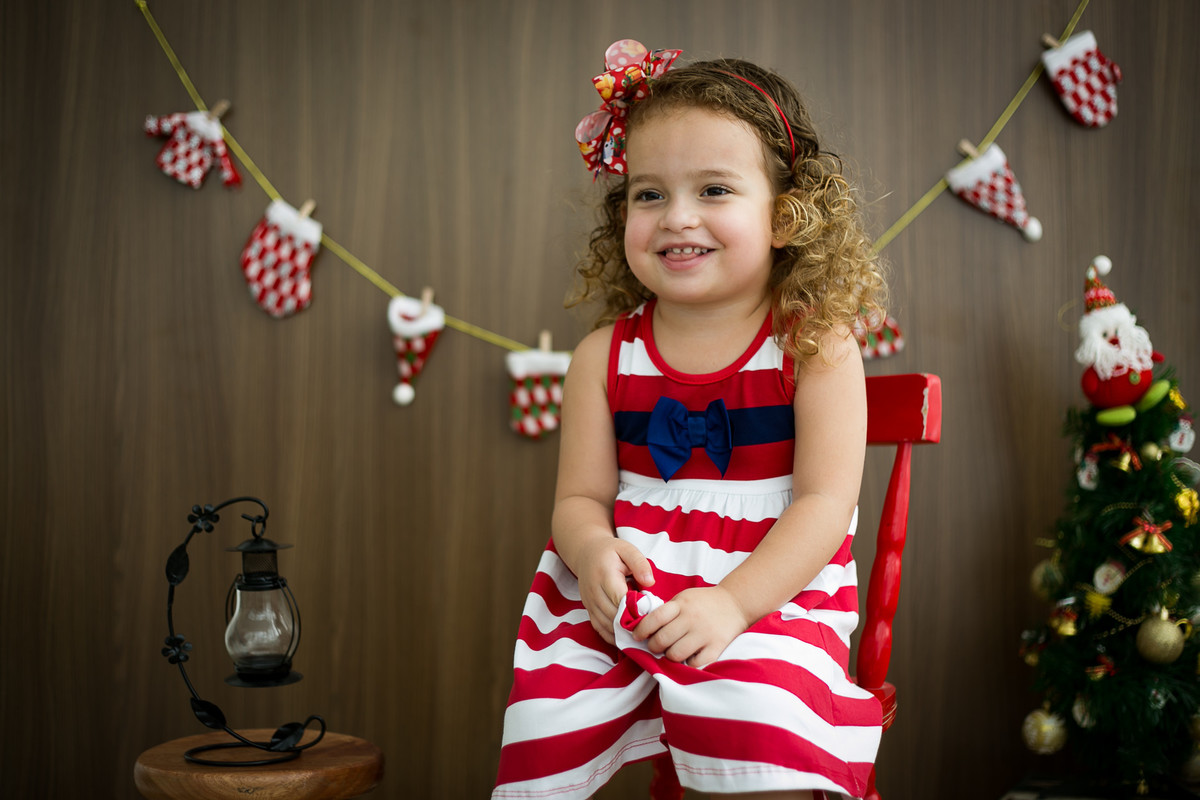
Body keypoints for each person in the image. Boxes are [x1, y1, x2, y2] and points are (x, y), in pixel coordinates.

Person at [493, 39, 888, 800]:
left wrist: (734, 603)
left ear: (786, 214)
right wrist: (593, 552)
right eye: (649, 194)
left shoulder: (815, 346)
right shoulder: (602, 357)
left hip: (771, 592)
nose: (677, 218)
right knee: (544, 723)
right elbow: (577, 500)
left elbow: (825, 505)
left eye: (713, 190)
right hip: (631, 594)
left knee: (756, 720)